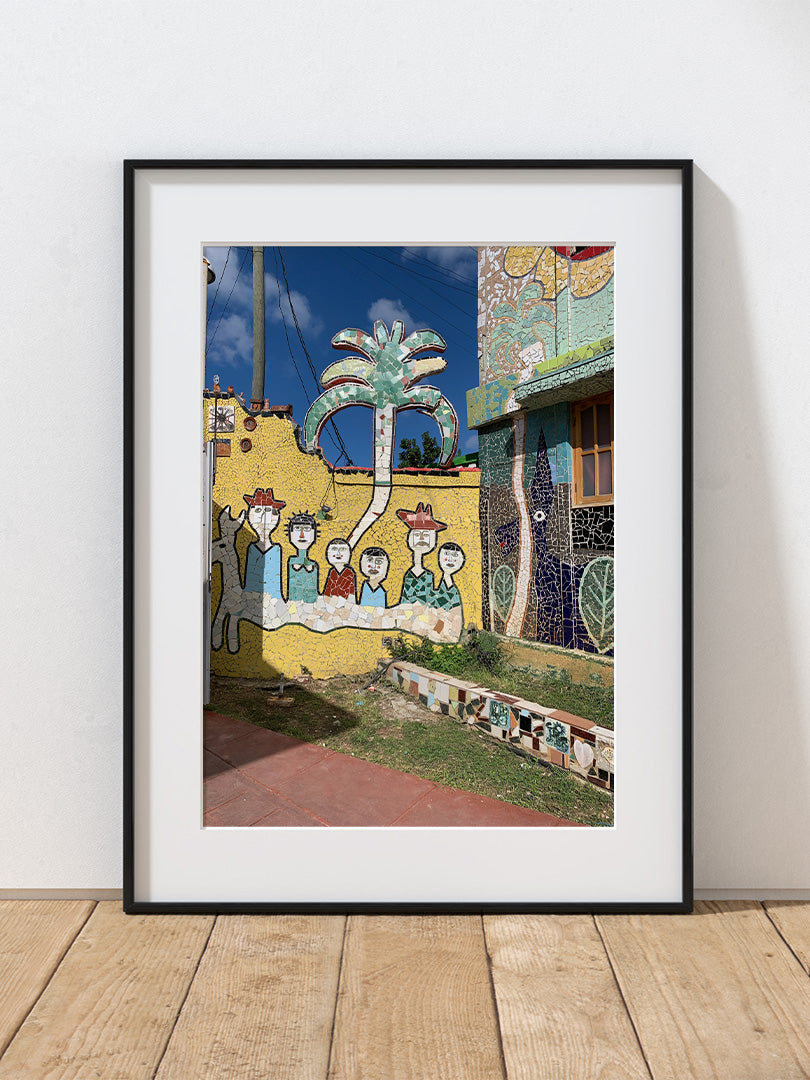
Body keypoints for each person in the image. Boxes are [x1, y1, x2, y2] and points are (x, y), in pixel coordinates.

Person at [396, 502, 446, 604]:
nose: (421, 539)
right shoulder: (407, 575)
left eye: (426, 535)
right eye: (418, 534)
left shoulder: (429, 576)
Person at [242, 488, 286, 597]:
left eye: (267, 511)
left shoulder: (277, 550)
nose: (262, 517)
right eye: (257, 511)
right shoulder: (252, 548)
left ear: (276, 516)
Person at [286, 513, 320, 602]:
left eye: (307, 529)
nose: (302, 535)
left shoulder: (314, 565)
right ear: (291, 533)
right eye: (297, 529)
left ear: (314, 533)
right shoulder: (290, 561)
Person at [433, 541, 465, 612]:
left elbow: (457, 618)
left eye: (455, 555)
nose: (450, 559)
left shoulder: (454, 591)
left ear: (461, 560)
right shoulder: (434, 586)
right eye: (446, 554)